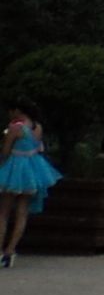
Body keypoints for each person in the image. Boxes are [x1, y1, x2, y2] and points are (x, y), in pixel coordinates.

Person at [1, 107, 63, 267]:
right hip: (32, 170)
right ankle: (10, 250)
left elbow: (6, 151)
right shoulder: (37, 127)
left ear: (18, 111)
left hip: (14, 168)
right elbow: (38, 148)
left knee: (4, 212)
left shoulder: (15, 128)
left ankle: (0, 250)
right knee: (22, 212)